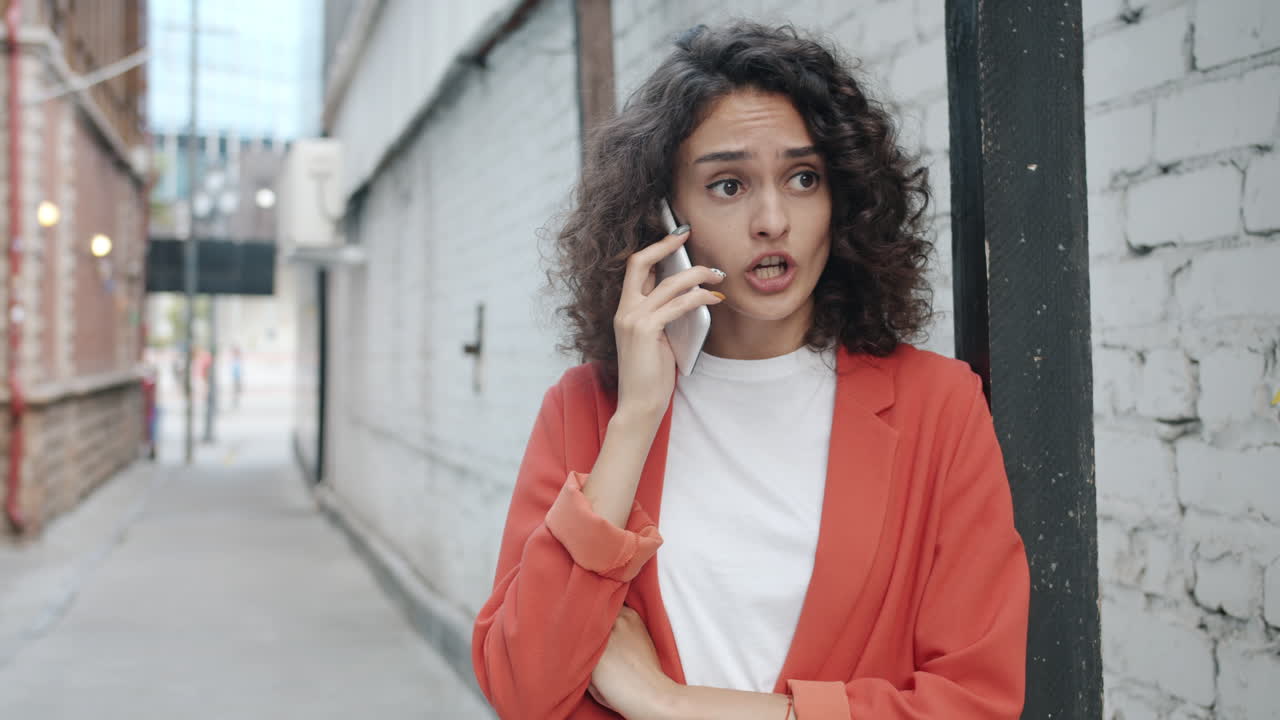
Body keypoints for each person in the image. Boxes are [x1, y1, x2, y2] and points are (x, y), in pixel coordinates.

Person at [472, 22, 1029, 720]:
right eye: (728, 185)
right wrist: (636, 419)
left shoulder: (937, 405)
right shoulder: (586, 410)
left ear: (843, 197)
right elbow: (523, 691)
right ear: (662, 216)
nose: (772, 220)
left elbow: (975, 702)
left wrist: (670, 704)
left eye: (803, 178)